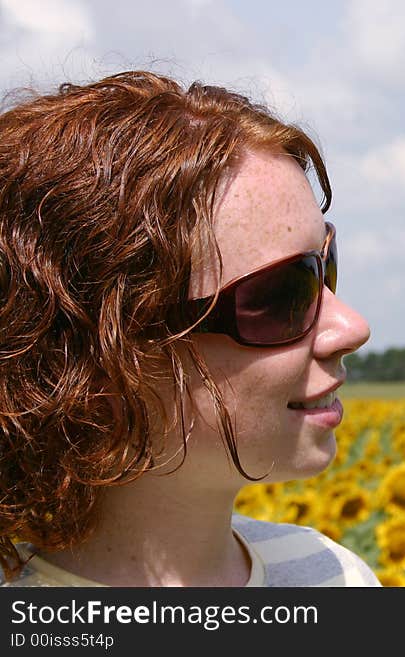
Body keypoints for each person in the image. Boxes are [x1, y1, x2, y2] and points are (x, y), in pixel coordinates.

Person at [0, 70, 381, 586]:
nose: (351, 327)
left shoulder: (331, 575)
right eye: (282, 293)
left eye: (325, 263)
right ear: (97, 356)